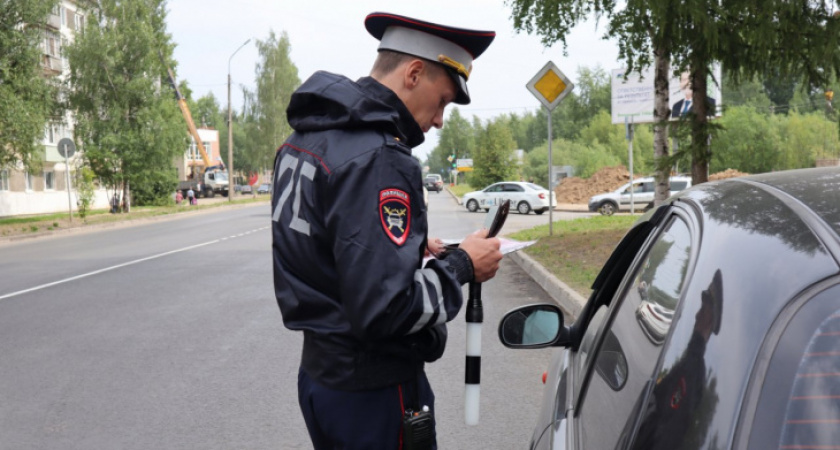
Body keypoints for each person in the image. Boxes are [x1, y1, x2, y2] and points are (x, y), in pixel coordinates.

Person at [271, 12, 501, 450]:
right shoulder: (380, 156)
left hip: (322, 380)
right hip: (373, 392)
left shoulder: (306, 137)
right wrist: (463, 265)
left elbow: (330, 252)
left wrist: (411, 253)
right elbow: (387, 310)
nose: (439, 121)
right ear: (414, 73)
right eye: (444, 101)